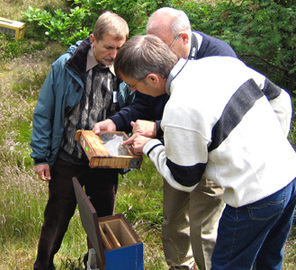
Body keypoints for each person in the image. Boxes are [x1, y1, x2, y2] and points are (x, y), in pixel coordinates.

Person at [114, 34, 296, 270]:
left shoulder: (179, 108)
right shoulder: (221, 63)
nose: (133, 90)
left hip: (253, 198)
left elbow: (184, 180)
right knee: (268, 261)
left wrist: (149, 146)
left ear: (152, 78)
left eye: (134, 85)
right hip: (288, 174)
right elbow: (278, 97)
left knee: (227, 266)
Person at [94, 8, 237, 270]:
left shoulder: (219, 56)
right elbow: (142, 104)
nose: (156, 53)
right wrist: (115, 122)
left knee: (203, 227)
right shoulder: (156, 62)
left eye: (161, 45)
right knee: (173, 220)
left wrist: (156, 128)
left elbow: (212, 118)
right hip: (173, 152)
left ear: (183, 38)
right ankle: (179, 266)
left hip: (210, 160)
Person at [30, 11, 132, 270]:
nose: (114, 54)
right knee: (56, 217)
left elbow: (131, 111)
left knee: (103, 219)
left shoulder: (122, 71)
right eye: (109, 47)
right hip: (67, 159)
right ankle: (43, 265)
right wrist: (41, 157)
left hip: (104, 162)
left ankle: (95, 264)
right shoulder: (66, 66)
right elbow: (44, 112)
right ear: (93, 40)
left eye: (120, 48)